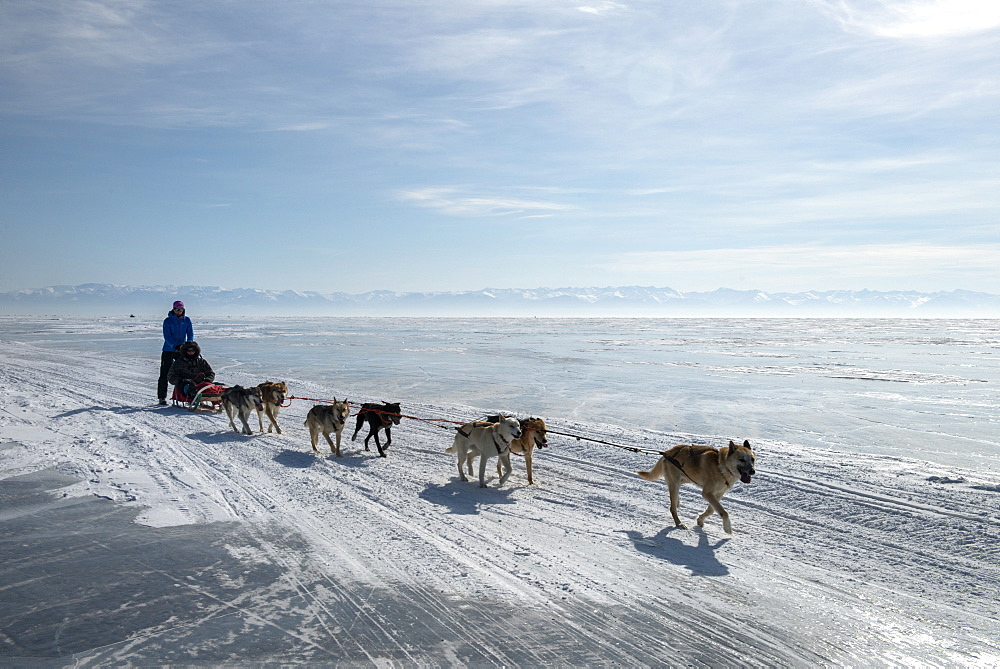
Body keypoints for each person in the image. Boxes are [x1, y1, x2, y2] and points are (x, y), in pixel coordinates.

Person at [158, 300, 194, 405]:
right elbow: (167, 336)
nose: (179, 311)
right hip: (168, 350)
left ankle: (185, 395)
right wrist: (174, 345)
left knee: (184, 374)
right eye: (177, 309)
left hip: (182, 350)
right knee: (165, 373)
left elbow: (190, 334)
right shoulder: (168, 321)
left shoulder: (186, 320)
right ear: (173, 309)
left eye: (181, 309)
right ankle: (162, 397)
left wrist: (189, 345)